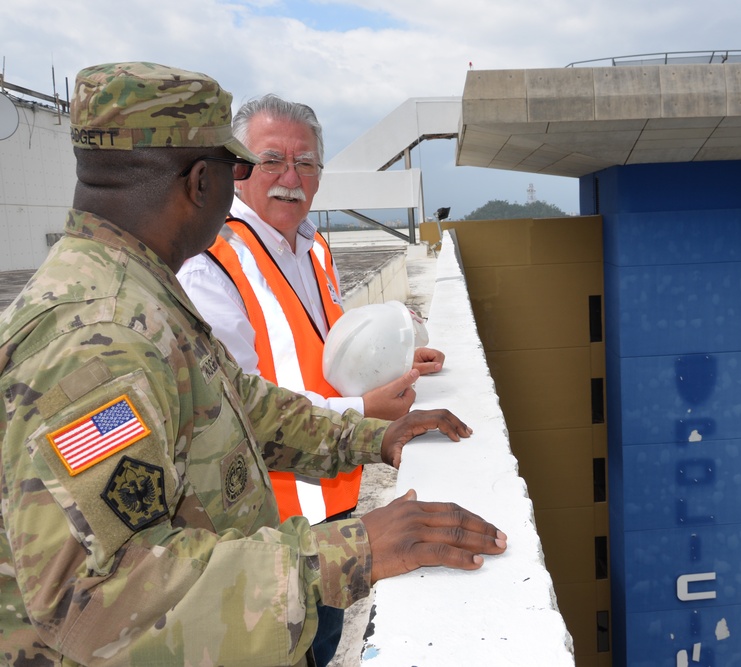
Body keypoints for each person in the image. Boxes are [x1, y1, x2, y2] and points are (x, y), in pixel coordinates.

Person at [0, 61, 505, 666]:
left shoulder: (138, 293)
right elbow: (99, 599)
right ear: (201, 181)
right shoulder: (95, 340)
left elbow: (244, 405)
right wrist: (350, 549)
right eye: (240, 167)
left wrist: (374, 436)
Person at [176, 94, 443, 664]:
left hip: (331, 495)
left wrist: (399, 360)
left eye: (307, 164)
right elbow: (232, 409)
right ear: (238, 169)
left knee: (321, 643)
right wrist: (367, 411)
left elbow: (331, 350)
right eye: (272, 160)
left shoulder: (312, 247)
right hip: (266, 522)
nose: (290, 178)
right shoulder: (212, 263)